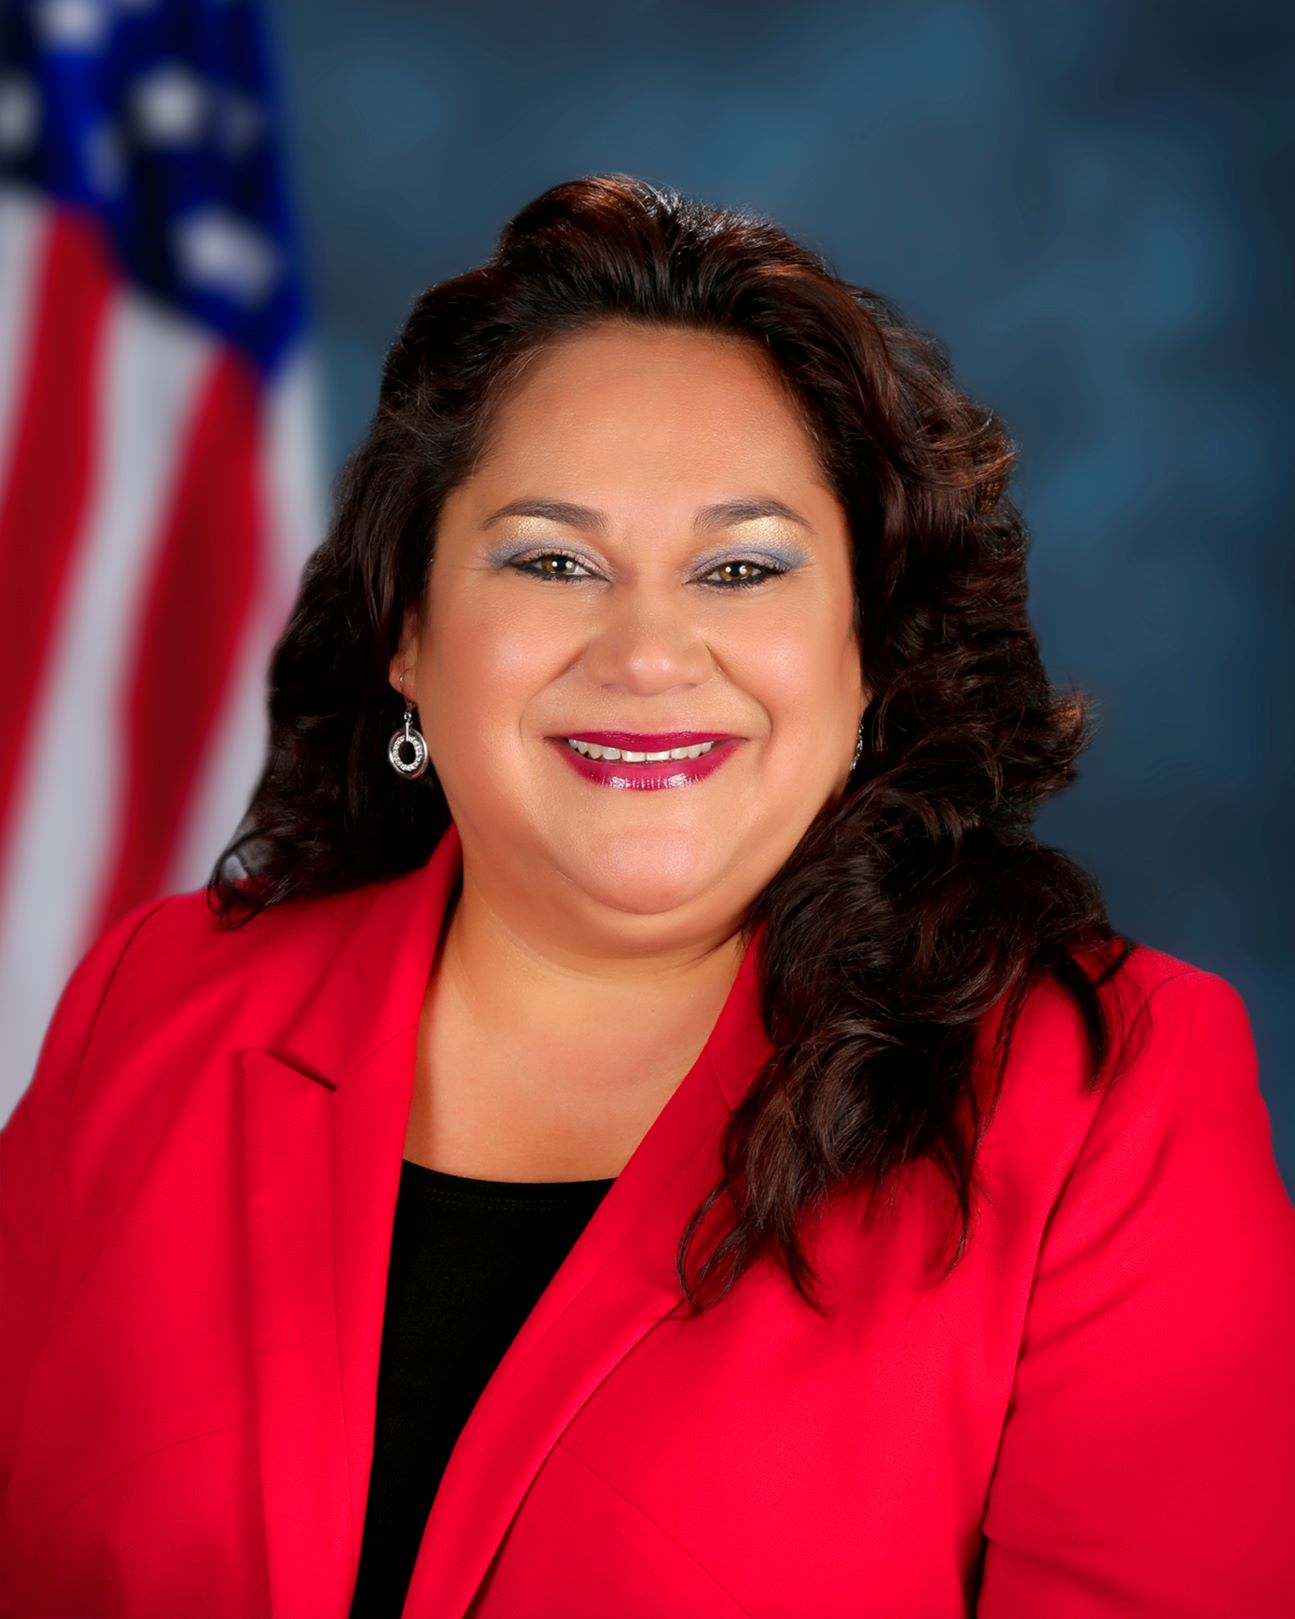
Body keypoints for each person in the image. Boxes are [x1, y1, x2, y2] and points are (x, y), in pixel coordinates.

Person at [2, 172, 1293, 1619]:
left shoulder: (1104, 1099)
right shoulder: (154, 1003)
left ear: (870, 659)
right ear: (408, 635)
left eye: (742, 567)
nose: (648, 650)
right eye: (553, 559)